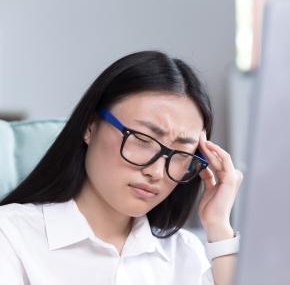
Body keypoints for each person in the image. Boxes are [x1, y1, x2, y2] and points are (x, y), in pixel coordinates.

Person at [0, 51, 243, 285]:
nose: (156, 172)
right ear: (90, 126)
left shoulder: (185, 253)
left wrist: (219, 226)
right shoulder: (11, 235)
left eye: (182, 153)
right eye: (143, 140)